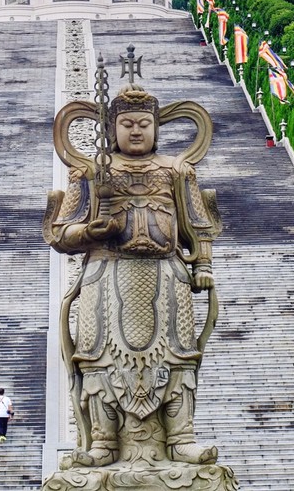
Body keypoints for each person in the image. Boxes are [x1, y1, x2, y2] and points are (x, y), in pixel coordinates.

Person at [44, 85, 222, 470]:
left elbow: (198, 223)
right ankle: (103, 444)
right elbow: (61, 232)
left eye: (145, 123)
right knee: (97, 357)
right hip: (105, 274)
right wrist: (89, 232)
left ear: (158, 127)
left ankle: (181, 439)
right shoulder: (90, 173)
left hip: (166, 275)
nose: (136, 131)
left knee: (178, 354)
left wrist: (202, 266)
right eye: (127, 124)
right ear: (111, 128)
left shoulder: (178, 170)